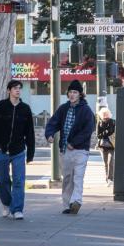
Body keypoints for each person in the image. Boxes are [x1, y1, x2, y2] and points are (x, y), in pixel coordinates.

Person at [45, 80, 95, 215]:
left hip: (80, 150)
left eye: (75, 92)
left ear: (80, 94)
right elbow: (53, 122)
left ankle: (76, 201)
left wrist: (74, 142)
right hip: (65, 150)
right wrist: (49, 134)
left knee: (78, 177)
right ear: (67, 94)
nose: (72, 95)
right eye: (70, 92)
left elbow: (88, 130)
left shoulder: (86, 110)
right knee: (67, 178)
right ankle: (67, 205)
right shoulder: (63, 108)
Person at [0, 79, 35, 220]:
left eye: (19, 88)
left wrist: (30, 153)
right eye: (15, 88)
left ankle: (17, 209)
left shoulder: (25, 109)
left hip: (19, 151)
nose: (17, 90)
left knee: (19, 181)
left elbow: (30, 132)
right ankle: (7, 203)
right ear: (9, 90)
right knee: (1, 180)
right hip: (1, 151)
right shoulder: (0, 106)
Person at [96, 107, 115, 185]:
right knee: (105, 163)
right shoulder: (99, 123)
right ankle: (107, 179)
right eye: (103, 114)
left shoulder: (113, 122)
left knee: (111, 162)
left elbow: (113, 131)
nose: (105, 115)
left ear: (109, 114)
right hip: (103, 146)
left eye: (106, 113)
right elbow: (98, 135)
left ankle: (110, 179)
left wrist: (105, 132)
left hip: (111, 145)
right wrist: (106, 132)